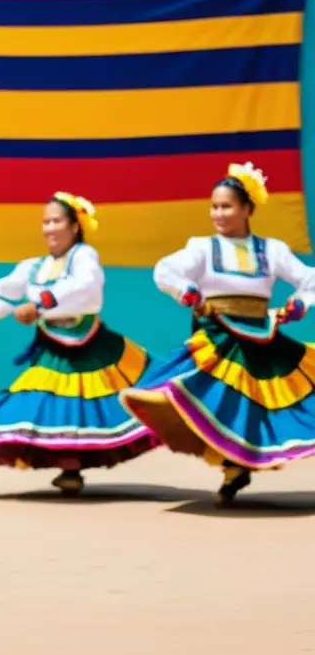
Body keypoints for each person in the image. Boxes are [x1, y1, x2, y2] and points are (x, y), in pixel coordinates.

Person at [120, 162, 315, 505]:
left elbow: (308, 278)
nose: (218, 213)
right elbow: (165, 269)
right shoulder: (202, 248)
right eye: (214, 206)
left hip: (261, 338)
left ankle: (237, 466)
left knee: (258, 408)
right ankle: (232, 467)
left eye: (226, 206)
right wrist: (187, 291)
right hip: (218, 339)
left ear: (247, 209)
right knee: (215, 401)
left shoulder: (272, 251)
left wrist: (299, 303)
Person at [0, 193, 158, 493]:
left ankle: (73, 469)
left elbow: (87, 290)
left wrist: (40, 305)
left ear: (75, 226)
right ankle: (70, 469)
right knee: (53, 403)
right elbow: (3, 299)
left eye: (56, 221)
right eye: (45, 222)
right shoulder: (33, 267)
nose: (49, 228)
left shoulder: (84, 257)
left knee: (97, 402)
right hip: (52, 346)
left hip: (92, 345)